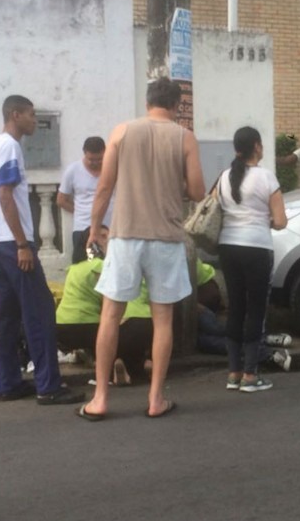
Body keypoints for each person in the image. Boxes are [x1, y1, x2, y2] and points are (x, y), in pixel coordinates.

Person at [78, 77, 205, 421]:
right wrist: (170, 180)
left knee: (110, 315)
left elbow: (104, 187)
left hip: (126, 235)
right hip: (165, 237)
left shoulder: (121, 132)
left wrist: (93, 229)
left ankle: (100, 398)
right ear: (177, 105)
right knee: (163, 320)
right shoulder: (184, 138)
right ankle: (155, 399)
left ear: (148, 101)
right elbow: (196, 191)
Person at [0, 95, 84, 406]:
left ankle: (9, 382)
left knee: (7, 316)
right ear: (16, 115)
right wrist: (22, 243)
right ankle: (48, 385)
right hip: (13, 242)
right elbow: (5, 196)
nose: (35, 120)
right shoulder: (10, 147)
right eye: (31, 114)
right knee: (39, 312)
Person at [217, 127, 288, 392]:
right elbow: (280, 221)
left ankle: (233, 373)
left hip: (228, 246)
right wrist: (266, 220)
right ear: (257, 147)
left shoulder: (224, 177)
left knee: (235, 307)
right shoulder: (266, 177)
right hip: (256, 248)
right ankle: (250, 375)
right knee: (255, 309)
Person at [54, 226, 152, 385]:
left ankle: (99, 360)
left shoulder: (73, 268)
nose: (107, 240)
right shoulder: (101, 266)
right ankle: (129, 365)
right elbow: (110, 298)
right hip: (98, 323)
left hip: (61, 325)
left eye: (108, 236)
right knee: (114, 337)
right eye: (102, 237)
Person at [57, 136, 112, 264]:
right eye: (91, 159)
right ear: (84, 153)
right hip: (83, 230)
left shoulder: (112, 169)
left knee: (109, 267)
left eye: (99, 159)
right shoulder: (73, 170)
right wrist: (82, 211)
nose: (95, 163)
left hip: (108, 230)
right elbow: (61, 200)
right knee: (88, 267)